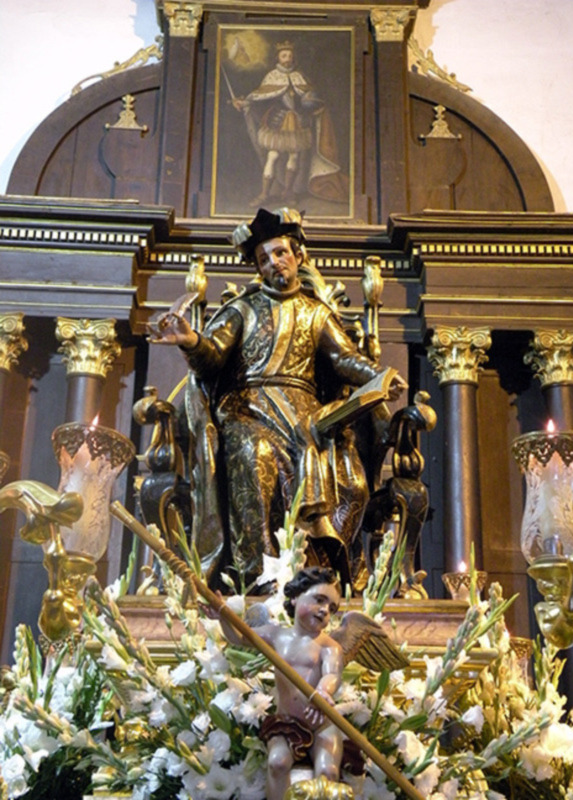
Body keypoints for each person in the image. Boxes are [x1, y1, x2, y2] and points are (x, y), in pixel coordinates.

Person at [148, 207, 406, 587]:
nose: (273, 263)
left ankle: (324, 573)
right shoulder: (242, 309)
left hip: (305, 416)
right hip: (247, 409)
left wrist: (382, 377)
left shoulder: (316, 313)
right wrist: (190, 341)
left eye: (280, 253)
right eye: (263, 258)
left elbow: (344, 359)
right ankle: (259, 577)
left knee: (351, 480)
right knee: (255, 457)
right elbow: (213, 354)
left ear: (298, 255)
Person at [215, 566, 345, 800]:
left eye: (332, 608)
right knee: (277, 762)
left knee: (328, 771)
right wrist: (222, 615)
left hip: (322, 723)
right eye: (319, 600)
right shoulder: (277, 636)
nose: (325, 610)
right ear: (295, 597)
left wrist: (323, 692)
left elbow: (332, 674)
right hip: (287, 723)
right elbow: (239, 637)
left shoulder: (329, 646)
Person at [232, 41, 347, 206]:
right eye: (284, 55)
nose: (287, 59)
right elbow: (259, 96)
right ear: (278, 57)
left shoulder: (298, 76)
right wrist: (244, 102)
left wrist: (313, 103)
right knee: (273, 155)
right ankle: (264, 194)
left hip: (297, 121)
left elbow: (310, 97)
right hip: (277, 121)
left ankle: (288, 192)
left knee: (294, 157)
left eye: (290, 56)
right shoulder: (272, 76)